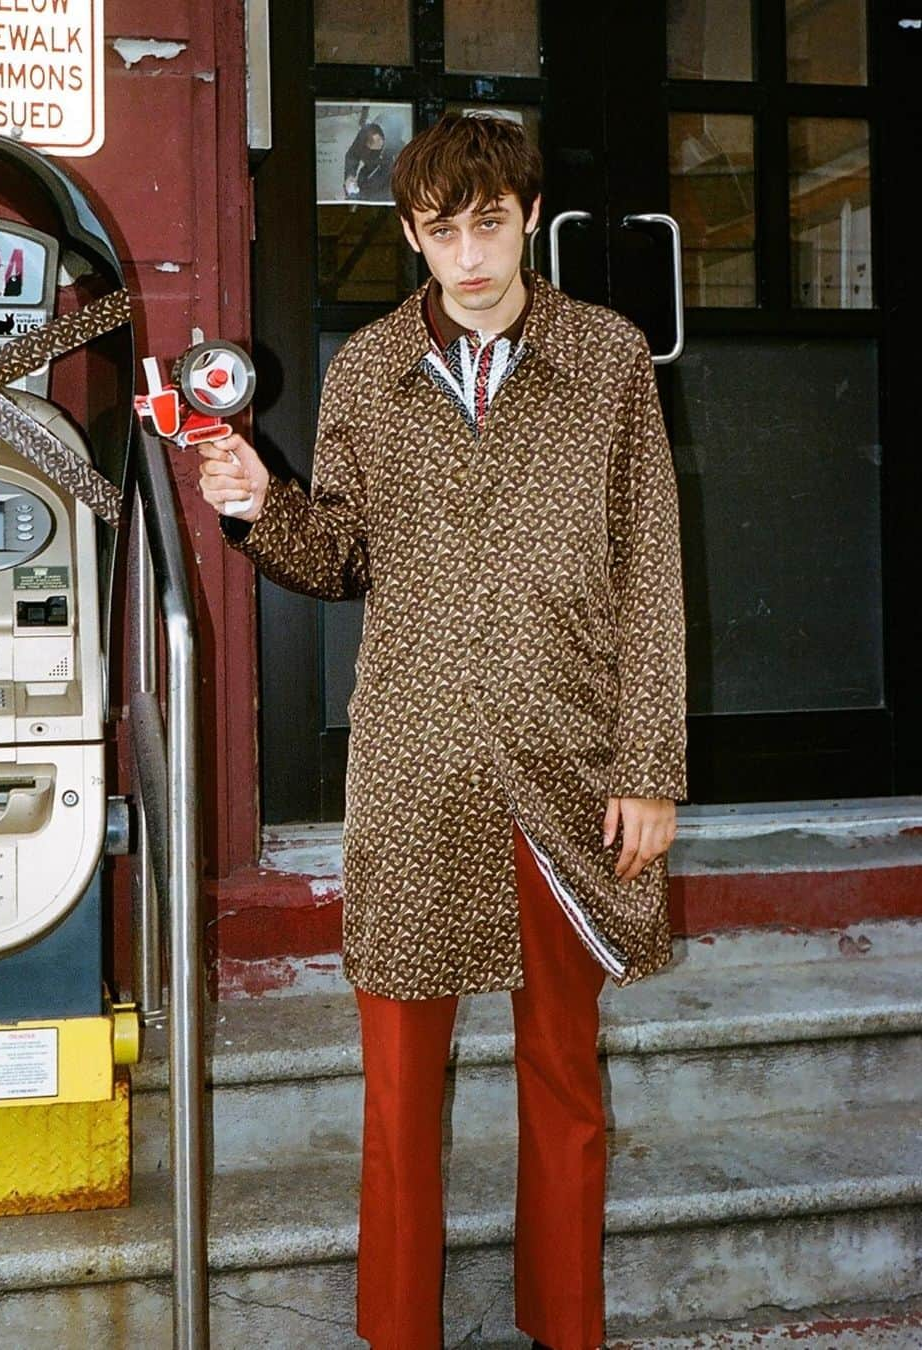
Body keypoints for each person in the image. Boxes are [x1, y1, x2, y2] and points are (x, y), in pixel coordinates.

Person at [198, 111, 687, 1350]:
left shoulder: (611, 359)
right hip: (413, 764)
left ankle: (566, 1328)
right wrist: (263, 503)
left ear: (528, 217)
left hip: (567, 763)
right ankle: (396, 1332)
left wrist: (651, 766)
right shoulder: (367, 368)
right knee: (402, 1092)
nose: (465, 254)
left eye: (486, 222)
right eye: (438, 230)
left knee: (565, 1081)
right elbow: (339, 551)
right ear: (412, 236)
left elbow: (651, 574)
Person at [343, 121, 394, 201]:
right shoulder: (363, 135)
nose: (378, 144)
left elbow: (386, 191)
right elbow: (352, 155)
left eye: (379, 141)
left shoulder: (392, 152)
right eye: (371, 145)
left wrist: (361, 197)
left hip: (387, 182)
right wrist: (350, 175)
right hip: (367, 172)